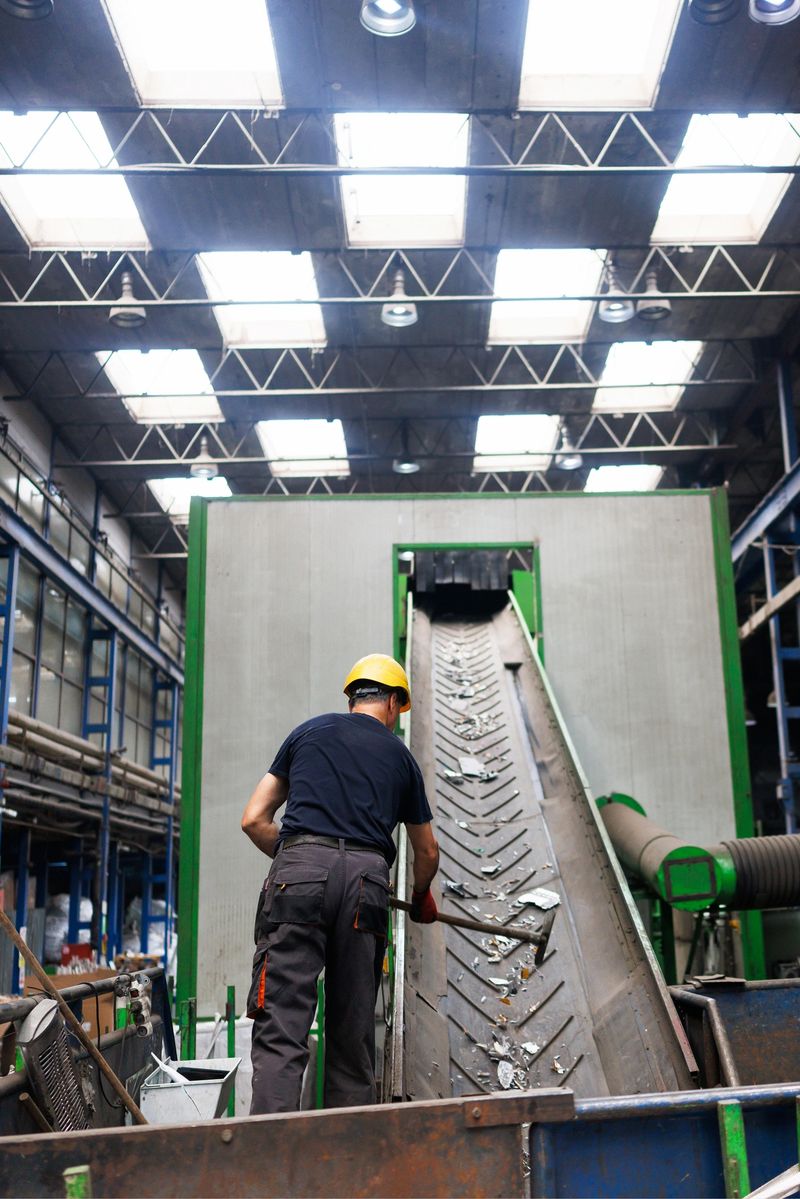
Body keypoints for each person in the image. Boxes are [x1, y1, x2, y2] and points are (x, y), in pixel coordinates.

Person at [241, 653, 440, 1114]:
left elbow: (253, 819)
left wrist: (298, 860)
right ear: (393, 703)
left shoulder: (307, 733)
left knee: (282, 1028)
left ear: (352, 698)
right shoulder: (400, 758)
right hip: (366, 887)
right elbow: (426, 851)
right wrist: (419, 897)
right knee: (352, 1038)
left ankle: (270, 1165)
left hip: (297, 877)